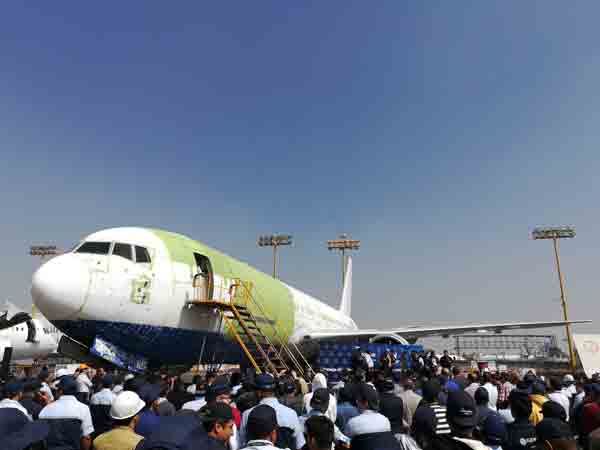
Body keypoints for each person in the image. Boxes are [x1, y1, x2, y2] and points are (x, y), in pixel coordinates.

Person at [239, 373, 305, 450]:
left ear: (258, 392)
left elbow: (242, 442)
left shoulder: (247, 414)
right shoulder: (291, 413)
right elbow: (300, 444)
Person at [39, 375, 95, 450]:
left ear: (61, 391)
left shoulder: (45, 410)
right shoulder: (83, 409)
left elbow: (41, 437)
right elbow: (86, 438)